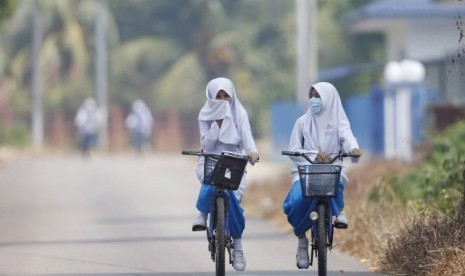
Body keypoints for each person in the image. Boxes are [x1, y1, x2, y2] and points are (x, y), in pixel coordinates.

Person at [282, 82, 362, 269]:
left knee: (337, 182)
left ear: (329, 98)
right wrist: (313, 154)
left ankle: (339, 211)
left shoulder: (339, 121)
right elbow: (294, 150)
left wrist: (354, 149)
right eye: (312, 95)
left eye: (318, 96)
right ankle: (302, 241)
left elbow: (348, 138)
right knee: (294, 204)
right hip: (306, 171)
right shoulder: (302, 122)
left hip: (332, 169)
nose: (314, 100)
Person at [192, 77, 259, 271]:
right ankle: (202, 214)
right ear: (211, 97)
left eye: (226, 96)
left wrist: (252, 151)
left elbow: (247, 137)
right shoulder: (205, 115)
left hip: (234, 163)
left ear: (232, 96)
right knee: (210, 179)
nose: (222, 100)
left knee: (234, 200)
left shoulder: (240, 113)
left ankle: (237, 246)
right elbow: (206, 145)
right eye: (218, 96)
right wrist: (217, 123)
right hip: (210, 161)